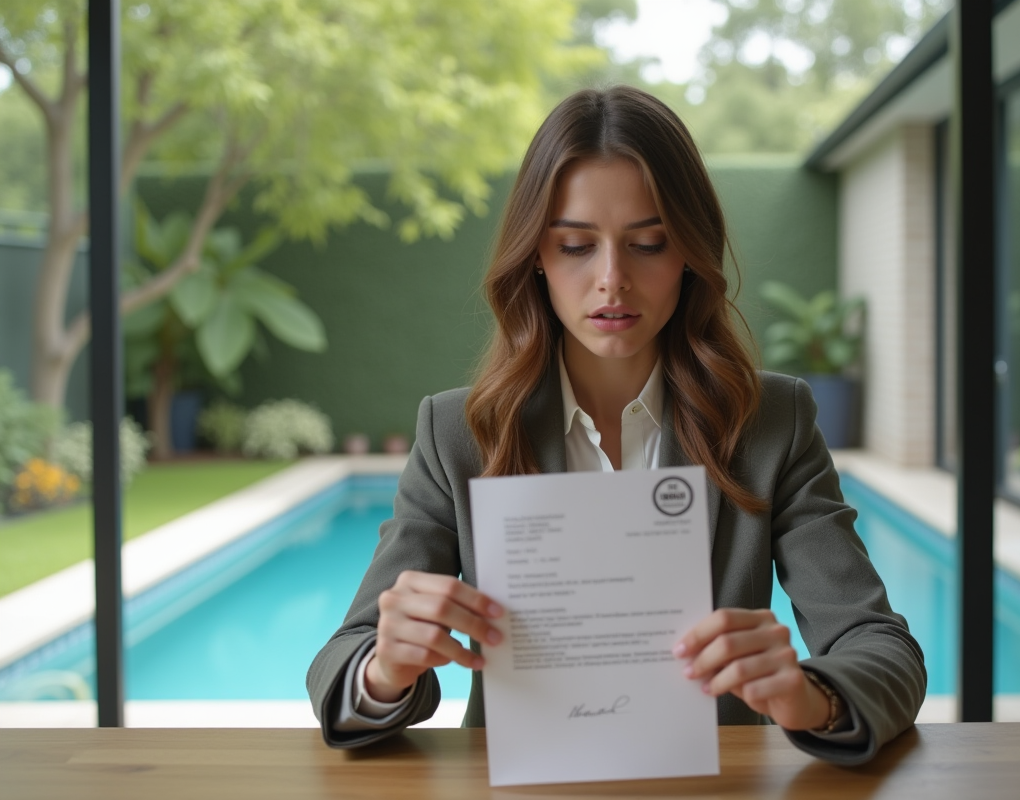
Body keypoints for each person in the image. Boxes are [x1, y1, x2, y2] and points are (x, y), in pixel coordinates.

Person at [307, 85, 925, 765]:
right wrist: (382, 669)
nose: (612, 279)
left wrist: (813, 696)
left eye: (649, 243)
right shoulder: (458, 432)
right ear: (535, 256)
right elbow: (340, 667)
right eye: (575, 245)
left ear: (689, 252)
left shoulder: (772, 422)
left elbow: (883, 650)